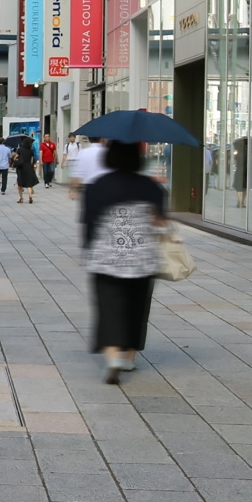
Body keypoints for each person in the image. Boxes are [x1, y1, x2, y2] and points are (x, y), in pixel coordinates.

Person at [82, 140, 168, 384]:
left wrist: (88, 249)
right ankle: (129, 357)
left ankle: (112, 356)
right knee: (137, 307)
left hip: (106, 257)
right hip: (142, 258)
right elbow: (160, 221)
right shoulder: (151, 187)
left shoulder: (98, 186)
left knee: (109, 306)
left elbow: (88, 223)